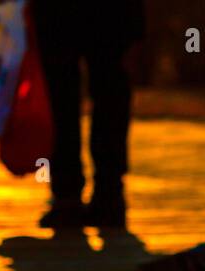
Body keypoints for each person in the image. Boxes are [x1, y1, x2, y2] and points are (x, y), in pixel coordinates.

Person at [30, 1, 146, 231]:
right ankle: (100, 194)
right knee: (103, 94)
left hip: (68, 14)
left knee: (68, 95)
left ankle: (79, 195)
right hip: (104, 13)